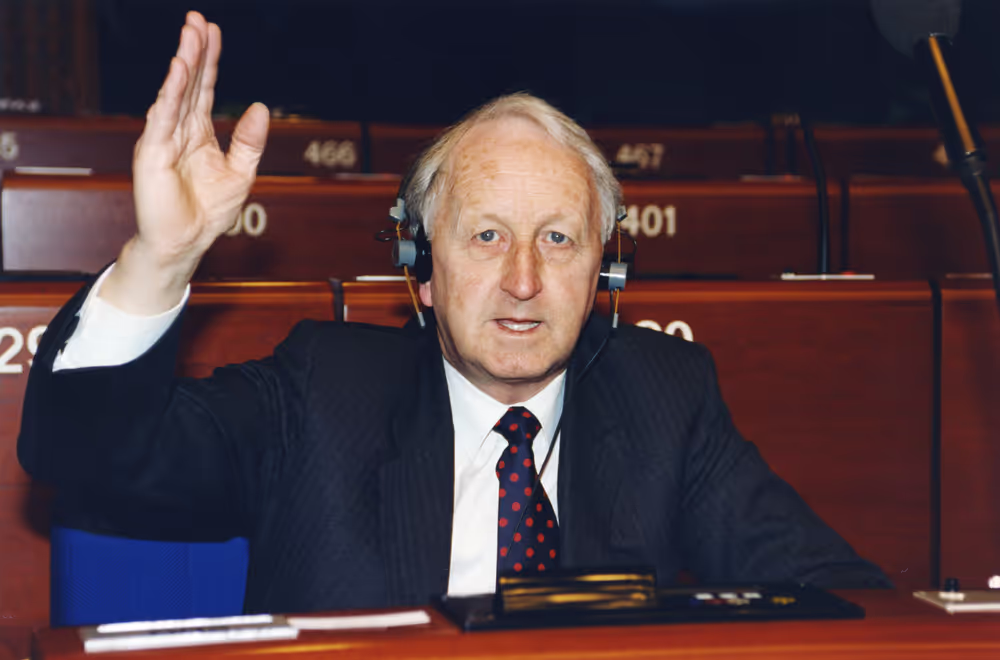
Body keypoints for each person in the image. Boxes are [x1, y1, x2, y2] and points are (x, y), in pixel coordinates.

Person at [18, 11, 890, 615]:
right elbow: (82, 453)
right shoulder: (325, 391)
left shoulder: (667, 400)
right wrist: (161, 258)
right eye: (483, 236)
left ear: (604, 272)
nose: (522, 279)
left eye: (558, 239)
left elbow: (841, 595)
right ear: (419, 268)